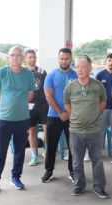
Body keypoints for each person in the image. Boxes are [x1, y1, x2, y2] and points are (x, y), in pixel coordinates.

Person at [0, 46, 35, 195]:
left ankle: (16, 177)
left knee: (19, 151)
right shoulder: (2, 72)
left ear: (22, 57)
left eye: (18, 55)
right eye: (12, 55)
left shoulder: (28, 75)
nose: (15, 58)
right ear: (8, 57)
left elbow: (30, 95)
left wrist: (18, 104)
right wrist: (7, 106)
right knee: (0, 152)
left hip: (22, 119)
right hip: (4, 119)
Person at [64, 55, 109, 198]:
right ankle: (79, 185)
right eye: (77, 67)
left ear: (90, 68)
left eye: (83, 67)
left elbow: (103, 103)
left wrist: (94, 115)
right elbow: (67, 105)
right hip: (76, 131)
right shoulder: (70, 86)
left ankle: (99, 187)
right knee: (77, 162)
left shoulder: (98, 85)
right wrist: (77, 118)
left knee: (97, 161)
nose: (79, 70)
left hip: (94, 130)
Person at [41, 48, 77, 183]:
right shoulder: (51, 75)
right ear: (58, 59)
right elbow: (48, 96)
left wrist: (68, 113)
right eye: (61, 58)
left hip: (72, 116)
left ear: (70, 59)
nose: (64, 61)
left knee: (73, 144)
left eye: (66, 58)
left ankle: (73, 171)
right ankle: (49, 170)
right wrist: (60, 112)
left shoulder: (76, 75)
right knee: (51, 145)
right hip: (54, 115)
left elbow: (78, 97)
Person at [96, 53, 112, 158]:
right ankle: (98, 151)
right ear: (106, 61)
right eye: (109, 60)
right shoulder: (100, 75)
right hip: (102, 109)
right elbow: (96, 92)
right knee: (100, 131)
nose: (111, 63)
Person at [25, 49, 48, 166]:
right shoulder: (22, 72)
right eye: (30, 57)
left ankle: (47, 151)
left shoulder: (42, 72)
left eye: (34, 56)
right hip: (29, 107)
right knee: (32, 130)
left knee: (47, 129)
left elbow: (48, 88)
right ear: (26, 58)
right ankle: (34, 155)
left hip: (43, 105)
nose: (32, 59)